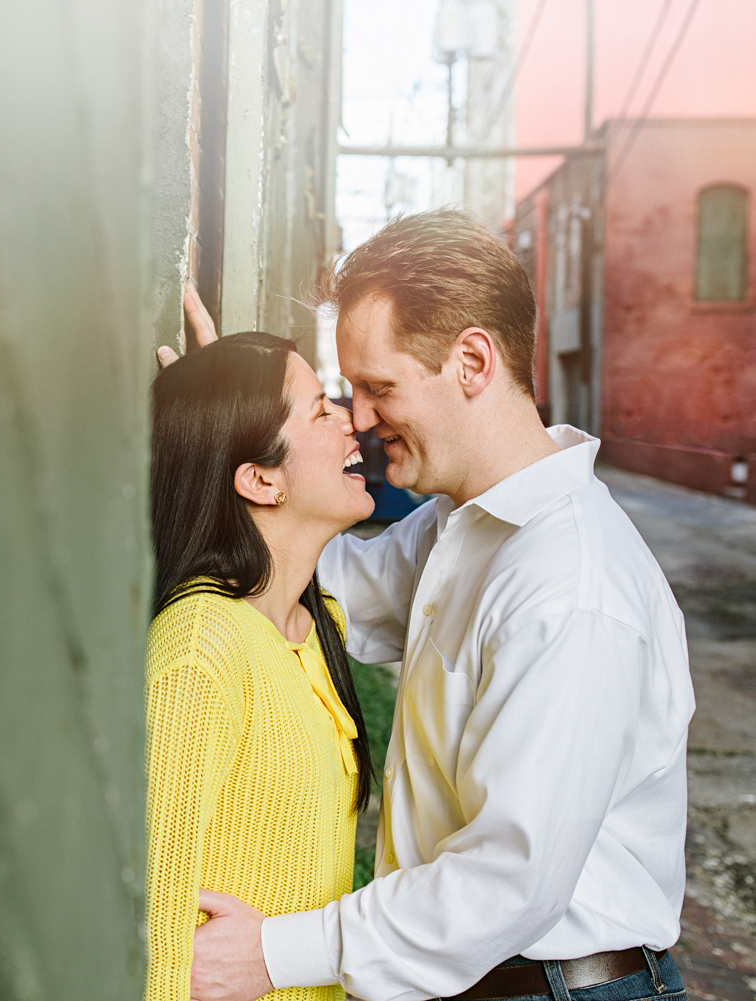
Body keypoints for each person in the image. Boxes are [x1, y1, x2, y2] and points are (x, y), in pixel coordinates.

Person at [164, 209, 693, 1001]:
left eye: (378, 388)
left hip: (563, 988)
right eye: (344, 396)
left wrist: (274, 952)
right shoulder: (465, 525)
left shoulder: (568, 586)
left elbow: (508, 881)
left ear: (472, 361)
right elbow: (308, 579)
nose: (363, 420)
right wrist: (237, 437)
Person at [145, 330, 382, 1001]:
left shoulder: (317, 624)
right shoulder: (201, 647)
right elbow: (154, 928)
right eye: (319, 410)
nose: (350, 419)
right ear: (258, 478)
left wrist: (231, 404)